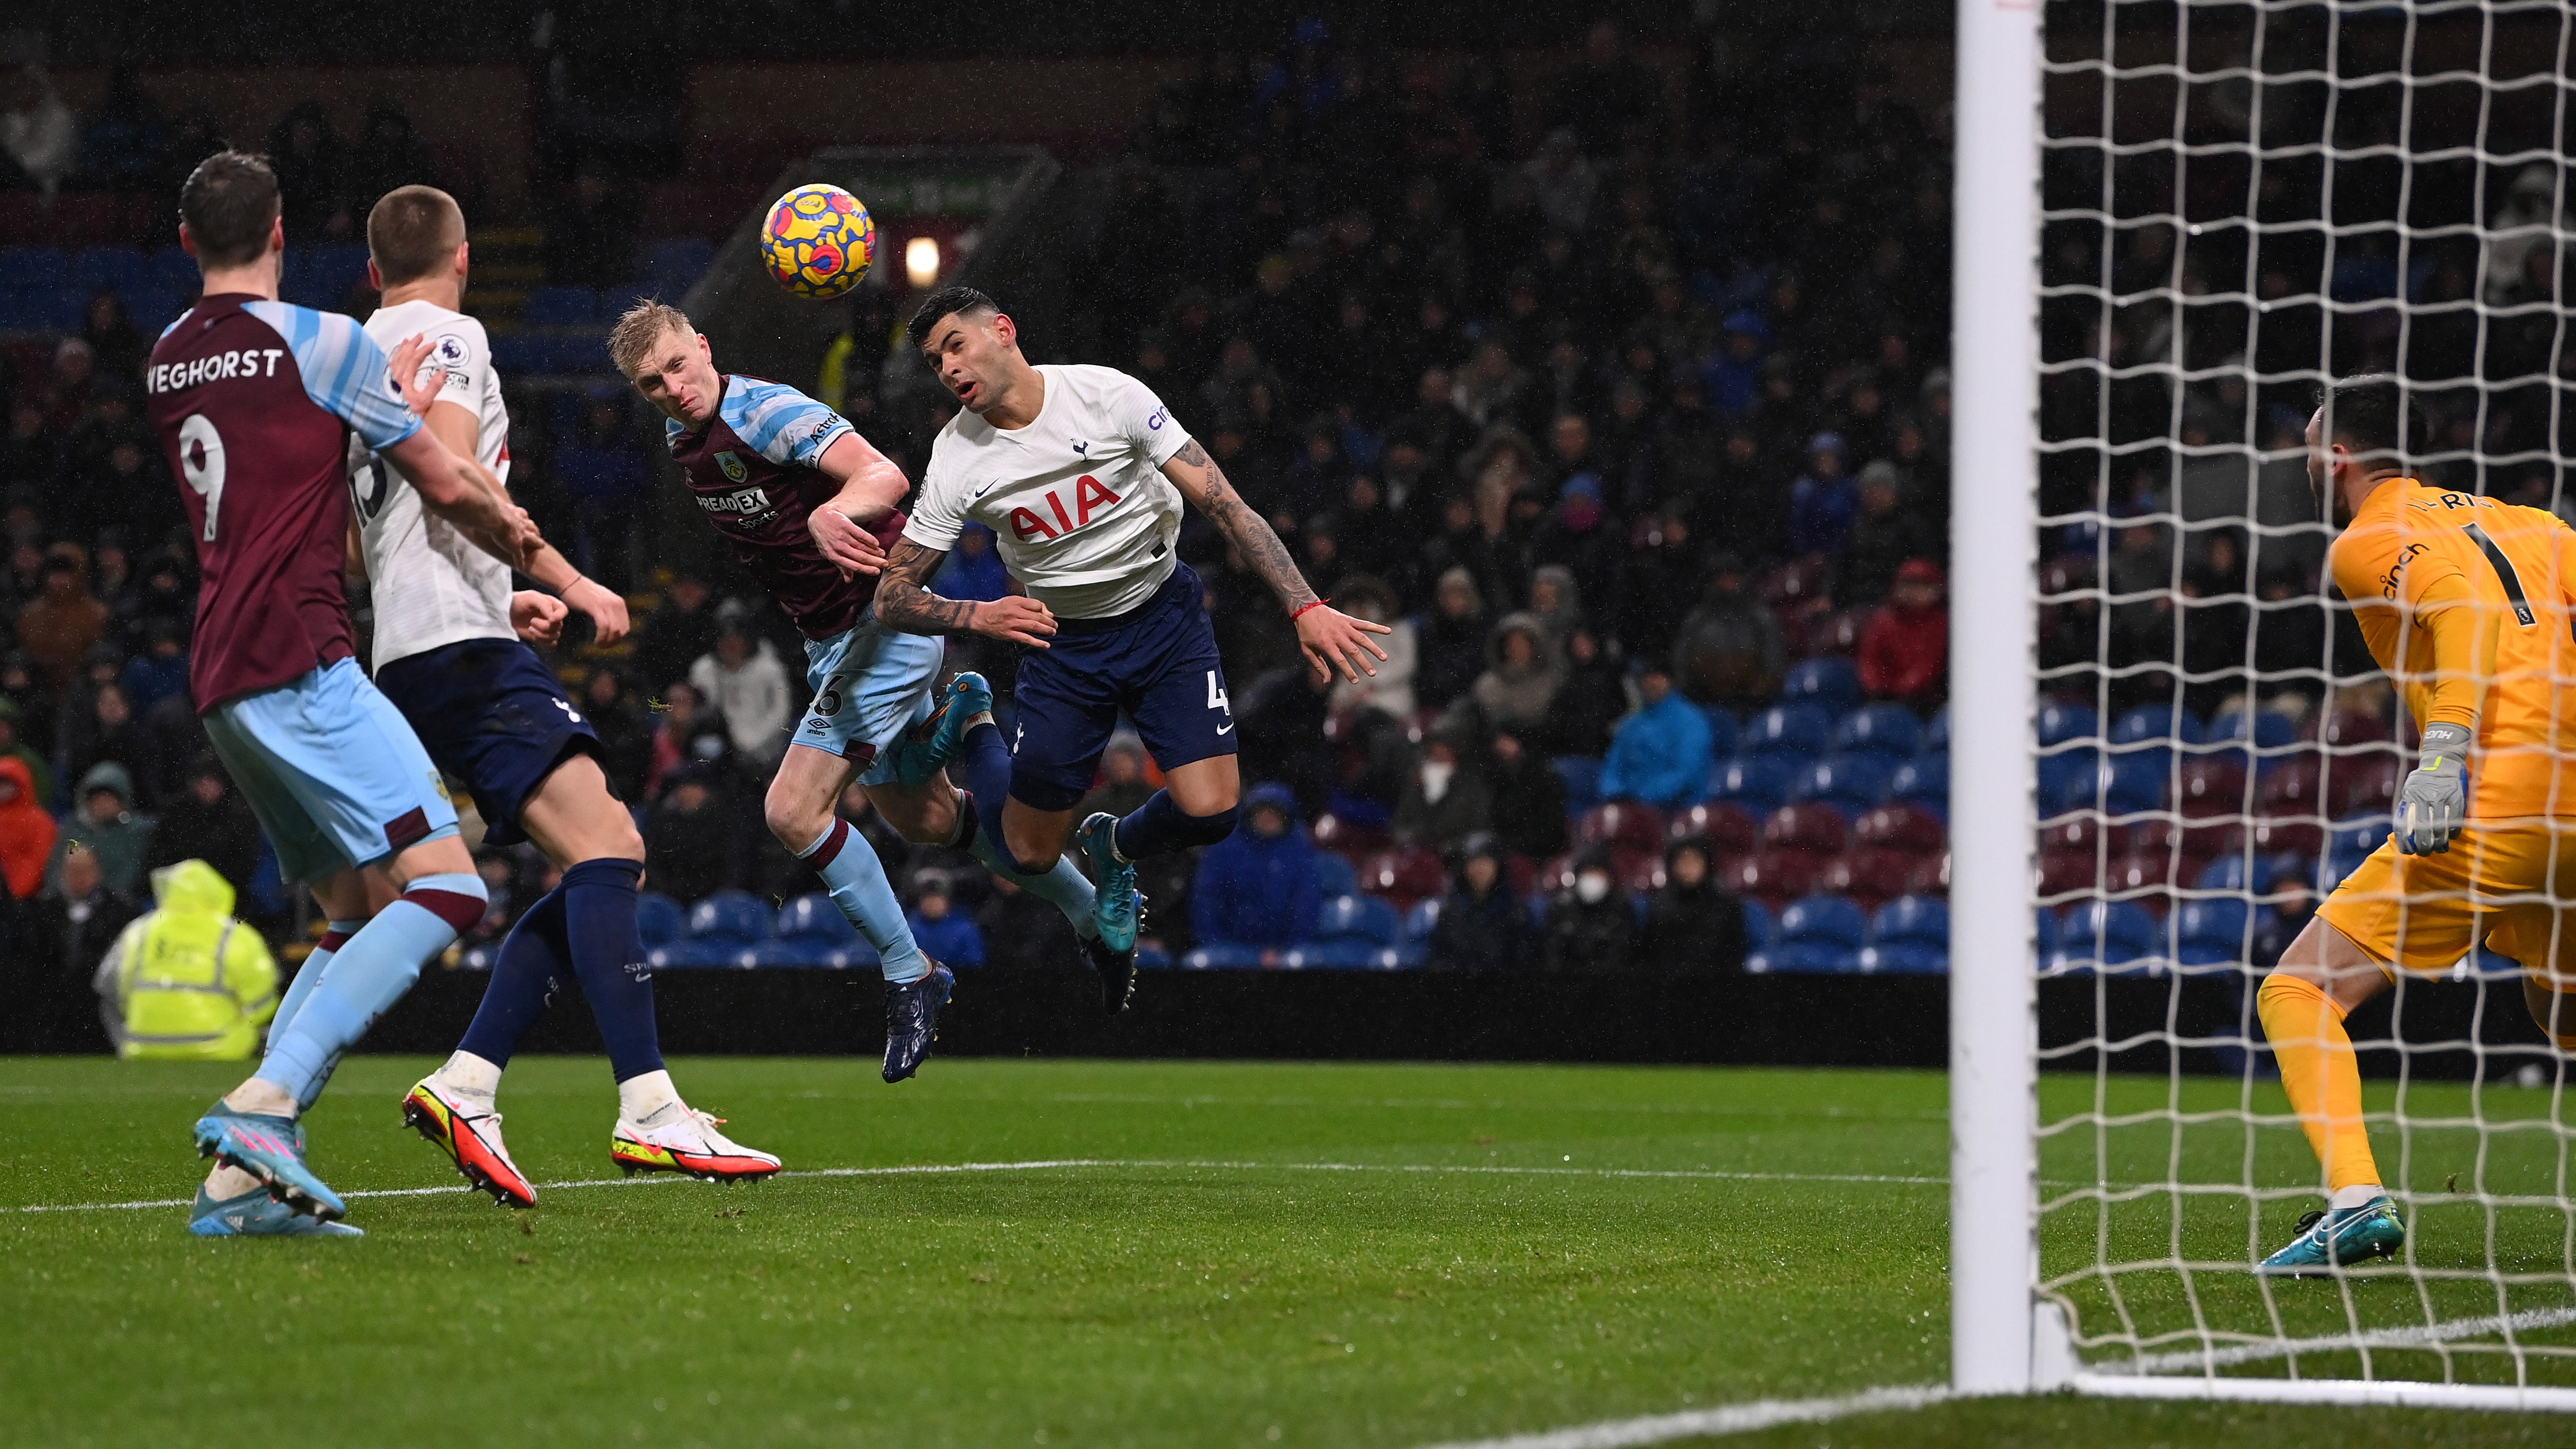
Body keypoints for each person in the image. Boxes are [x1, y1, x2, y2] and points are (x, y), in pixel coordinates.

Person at [334, 186, 778, 1208]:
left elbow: (358, 548)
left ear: (371, 269)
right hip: (459, 646)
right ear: (464, 256)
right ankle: (649, 1109)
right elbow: (452, 475)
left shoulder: (354, 356)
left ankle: (470, 1083)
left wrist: (502, 590)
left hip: (423, 640)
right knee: (612, 847)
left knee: (599, 851)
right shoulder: (446, 334)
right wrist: (570, 580)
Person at [144, 151, 541, 1237]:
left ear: (188, 242)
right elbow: (448, 480)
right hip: (304, 660)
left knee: (351, 908)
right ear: (281, 234)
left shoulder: (168, 355)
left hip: (222, 672)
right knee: (450, 890)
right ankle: (262, 1107)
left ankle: (238, 1191)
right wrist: (554, 572)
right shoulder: (324, 341)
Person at [609, 297, 1121, 1060]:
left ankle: (909, 968)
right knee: (925, 818)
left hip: (885, 619)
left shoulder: (766, 412)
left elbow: (883, 474)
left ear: (705, 348)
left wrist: (835, 511)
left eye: (680, 367)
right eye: (653, 383)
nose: (673, 388)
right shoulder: (683, 433)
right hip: (831, 640)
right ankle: (1090, 910)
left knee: (791, 809)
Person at [872, 285, 1386, 968]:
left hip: (1163, 620)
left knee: (1211, 812)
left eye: (956, 345)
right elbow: (892, 595)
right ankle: (976, 723)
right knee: (1027, 851)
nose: (949, 368)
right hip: (1066, 646)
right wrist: (979, 613)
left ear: (1002, 330)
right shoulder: (957, 459)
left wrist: (1304, 605)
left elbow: (1225, 504)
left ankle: (1113, 843)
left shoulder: (1107, 395)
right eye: (936, 361)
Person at [2252, 373, 2576, 1274]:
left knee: (2296, 990)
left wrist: (2443, 755)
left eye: (2312, 445)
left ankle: (2356, 1200)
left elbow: (2462, 610)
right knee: (2560, 1008)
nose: (2307, 460)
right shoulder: (2530, 522)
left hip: (2497, 799)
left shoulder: (2365, 541)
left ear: (2341, 457)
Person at [93, 858, 276, 1061]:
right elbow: (265, 1004)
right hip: (221, 1049)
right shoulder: (235, 935)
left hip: (144, 1047)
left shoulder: (140, 931)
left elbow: (109, 988)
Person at [1187, 783, 1325, 958]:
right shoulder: (1224, 850)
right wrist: (1218, 946)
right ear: (1250, 815)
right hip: (1227, 950)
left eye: (1275, 812)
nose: (1268, 817)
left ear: (1287, 817)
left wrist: (1286, 950)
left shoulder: (1300, 854)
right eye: (1262, 811)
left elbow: (1306, 906)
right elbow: (1207, 901)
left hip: (1283, 952)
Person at [28, 847, 139, 1052]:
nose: (78, 877)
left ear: (97, 872)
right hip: (57, 1002)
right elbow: (38, 958)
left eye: (84, 870)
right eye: (72, 870)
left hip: (97, 998)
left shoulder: (120, 909)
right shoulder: (46, 909)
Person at [1670, 552, 1785, 714]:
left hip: (1751, 706)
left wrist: (1755, 694)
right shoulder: (1697, 619)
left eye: (1733, 578)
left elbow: (1773, 666)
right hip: (1702, 704)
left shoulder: (1761, 618)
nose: (1729, 584)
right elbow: (1681, 665)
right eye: (1722, 578)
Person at [144, 752, 262, 899]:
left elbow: (243, 864)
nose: (207, 788)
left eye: (213, 781)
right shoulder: (177, 812)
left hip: (225, 894)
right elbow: (160, 855)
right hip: (177, 892)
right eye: (202, 781)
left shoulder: (240, 817)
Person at [1596, 662, 1711, 810]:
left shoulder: (1691, 721)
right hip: (1630, 809)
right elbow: (1613, 767)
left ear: (1669, 680)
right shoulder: (1632, 723)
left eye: (1657, 676)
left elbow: (1686, 774)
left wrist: (1641, 799)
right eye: (1646, 677)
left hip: (1677, 813)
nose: (1651, 682)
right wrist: (1615, 795)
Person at [689, 613, 793, 768]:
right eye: (725, 640)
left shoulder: (770, 670)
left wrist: (753, 741)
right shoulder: (704, 669)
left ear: (747, 642)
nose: (731, 645)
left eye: (736, 639)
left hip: (766, 751)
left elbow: (782, 712)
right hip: (720, 751)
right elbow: (698, 711)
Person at [1640, 836, 1746, 972]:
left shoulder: (1726, 905)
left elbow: (1735, 954)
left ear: (1707, 863)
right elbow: (1649, 955)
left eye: (1695, 860)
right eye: (1683, 860)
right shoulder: (1659, 904)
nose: (1688, 867)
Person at [1426, 834, 1530, 972]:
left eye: (1487, 863)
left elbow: (1524, 962)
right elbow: (1439, 959)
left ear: (1499, 867)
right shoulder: (1449, 911)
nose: (1480, 870)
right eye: (1474, 862)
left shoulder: (1517, 913)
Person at [1857, 559, 1950, 711]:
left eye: (1923, 586)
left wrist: (1903, 688)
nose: (1914, 592)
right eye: (1908, 585)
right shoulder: (1883, 620)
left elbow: (1930, 665)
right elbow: (1869, 662)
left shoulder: (1940, 622)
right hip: (1881, 698)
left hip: (1924, 702)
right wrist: (1877, 686)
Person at [54, 761, 157, 898]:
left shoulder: (136, 830)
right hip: (70, 901)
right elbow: (55, 871)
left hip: (116, 904)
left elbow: (130, 876)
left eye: (109, 799)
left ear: (123, 801)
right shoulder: (74, 828)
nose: (102, 805)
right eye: (97, 799)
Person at [1391, 725, 1490, 855]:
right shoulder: (1416, 781)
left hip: (1457, 855)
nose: (1438, 751)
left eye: (1444, 746)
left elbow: (1477, 826)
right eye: (1435, 746)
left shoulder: (1471, 785)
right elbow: (1402, 821)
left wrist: (1450, 847)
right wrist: (1410, 842)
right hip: (1417, 852)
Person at [1541, 846, 1635, 972]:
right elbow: (1552, 956)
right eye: (1588, 873)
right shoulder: (1561, 909)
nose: (1593, 879)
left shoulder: (1621, 909)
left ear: (1609, 878)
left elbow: (1622, 957)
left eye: (1598, 873)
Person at [0, 753, 54, 906]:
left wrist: (16, 892)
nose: (2, 789)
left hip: (28, 901)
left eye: (7, 783)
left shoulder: (40, 821)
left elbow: (39, 859)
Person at [906, 874, 986, 969]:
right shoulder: (909, 929)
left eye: (937, 897)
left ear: (947, 900)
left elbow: (976, 965)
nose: (932, 903)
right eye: (927, 897)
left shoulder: (966, 930)